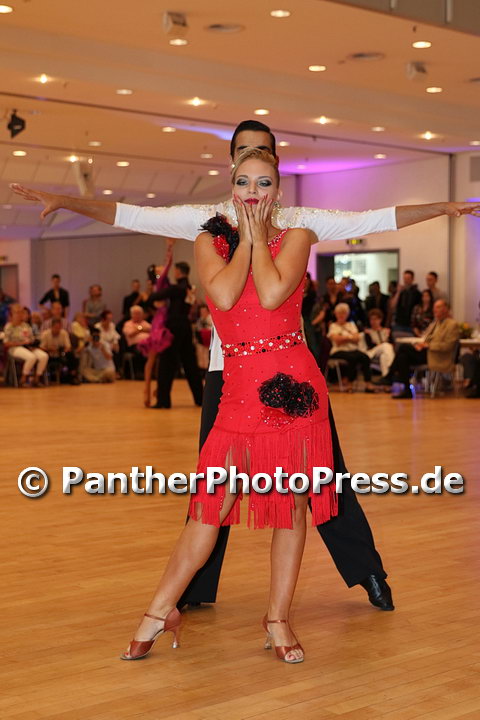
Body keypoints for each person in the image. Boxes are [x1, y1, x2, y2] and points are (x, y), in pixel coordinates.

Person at [10, 118, 480, 611]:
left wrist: (442, 207)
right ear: (232, 162)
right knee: (215, 486)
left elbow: (371, 220)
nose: (252, 170)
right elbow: (133, 214)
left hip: (291, 375)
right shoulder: (208, 221)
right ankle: (194, 588)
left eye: (262, 154)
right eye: (243, 154)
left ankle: (367, 572)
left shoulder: (298, 220)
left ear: (275, 163)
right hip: (228, 373)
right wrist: (66, 201)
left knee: (325, 477)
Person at [121, 148, 337, 664]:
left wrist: (260, 238)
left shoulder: (299, 236)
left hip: (294, 390)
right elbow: (222, 295)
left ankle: (278, 618)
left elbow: (272, 293)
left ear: (278, 191)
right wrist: (248, 240)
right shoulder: (209, 241)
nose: (254, 192)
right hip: (239, 392)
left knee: (292, 507)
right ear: (231, 189)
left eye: (264, 183)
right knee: (207, 509)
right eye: (244, 182)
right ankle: (160, 610)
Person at [149, 261, 203, 409]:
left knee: (166, 364)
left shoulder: (176, 289)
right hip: (186, 327)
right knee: (190, 364)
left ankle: (163, 401)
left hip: (173, 328)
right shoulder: (190, 288)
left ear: (178, 272)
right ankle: (200, 399)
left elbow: (154, 297)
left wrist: (155, 300)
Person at [386, 299, 460, 399]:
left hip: (437, 356)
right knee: (402, 357)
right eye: (434, 307)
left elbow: (448, 346)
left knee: (403, 347)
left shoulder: (452, 325)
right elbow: (425, 338)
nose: (435, 310)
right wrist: (421, 344)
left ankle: (390, 376)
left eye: (438, 307)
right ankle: (407, 390)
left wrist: (429, 346)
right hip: (427, 353)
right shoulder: (435, 323)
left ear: (446, 309)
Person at [137, 241, 175, 407]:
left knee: (157, 360)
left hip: (161, 320)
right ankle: (147, 391)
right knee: (154, 359)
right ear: (156, 273)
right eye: (158, 268)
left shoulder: (161, 285)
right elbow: (168, 263)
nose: (161, 267)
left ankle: (153, 391)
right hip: (160, 322)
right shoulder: (160, 283)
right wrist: (170, 247)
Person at [327, 303, 375, 392]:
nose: (341, 315)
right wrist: (350, 337)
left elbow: (357, 339)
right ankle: (350, 384)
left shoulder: (351, 325)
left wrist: (343, 337)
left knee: (365, 357)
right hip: (338, 351)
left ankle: (368, 383)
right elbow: (337, 340)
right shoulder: (333, 326)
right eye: (339, 313)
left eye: (343, 313)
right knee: (352, 358)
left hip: (352, 350)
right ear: (336, 314)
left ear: (347, 314)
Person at [4, 304, 48, 386]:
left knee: (43, 356)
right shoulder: (9, 327)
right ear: (11, 314)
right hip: (15, 348)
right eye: (17, 312)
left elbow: (31, 338)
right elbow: (6, 343)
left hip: (28, 347)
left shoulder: (26, 326)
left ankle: (36, 379)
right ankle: (23, 379)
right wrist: (21, 343)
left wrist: (32, 345)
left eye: (21, 312)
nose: (20, 314)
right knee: (31, 357)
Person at [40, 318, 80, 384]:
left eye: (59, 327)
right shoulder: (45, 334)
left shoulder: (64, 333)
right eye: (56, 327)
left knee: (71, 355)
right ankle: (44, 378)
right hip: (49, 355)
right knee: (43, 356)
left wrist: (64, 350)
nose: (58, 329)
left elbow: (68, 346)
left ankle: (72, 377)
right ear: (51, 327)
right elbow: (41, 347)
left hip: (60, 354)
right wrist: (49, 349)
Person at [122, 305, 151, 379]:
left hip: (148, 345)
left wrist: (139, 330)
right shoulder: (128, 324)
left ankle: (152, 373)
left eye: (139, 313)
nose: (137, 315)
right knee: (140, 351)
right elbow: (130, 334)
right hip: (134, 346)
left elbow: (152, 331)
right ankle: (139, 372)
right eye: (135, 313)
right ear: (131, 314)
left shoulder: (145, 323)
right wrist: (142, 330)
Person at [364, 309, 394, 379]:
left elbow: (392, 343)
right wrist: (382, 344)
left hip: (386, 351)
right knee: (386, 345)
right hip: (373, 352)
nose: (373, 321)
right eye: (371, 319)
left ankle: (386, 378)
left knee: (383, 357)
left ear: (380, 320)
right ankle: (392, 365)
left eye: (375, 319)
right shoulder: (368, 332)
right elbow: (369, 345)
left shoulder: (387, 331)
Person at [391, 270, 422, 335]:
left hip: (411, 324)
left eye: (408, 278)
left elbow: (419, 310)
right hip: (399, 323)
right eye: (404, 278)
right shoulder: (400, 292)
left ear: (412, 279)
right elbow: (392, 306)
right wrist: (398, 292)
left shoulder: (417, 293)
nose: (406, 280)